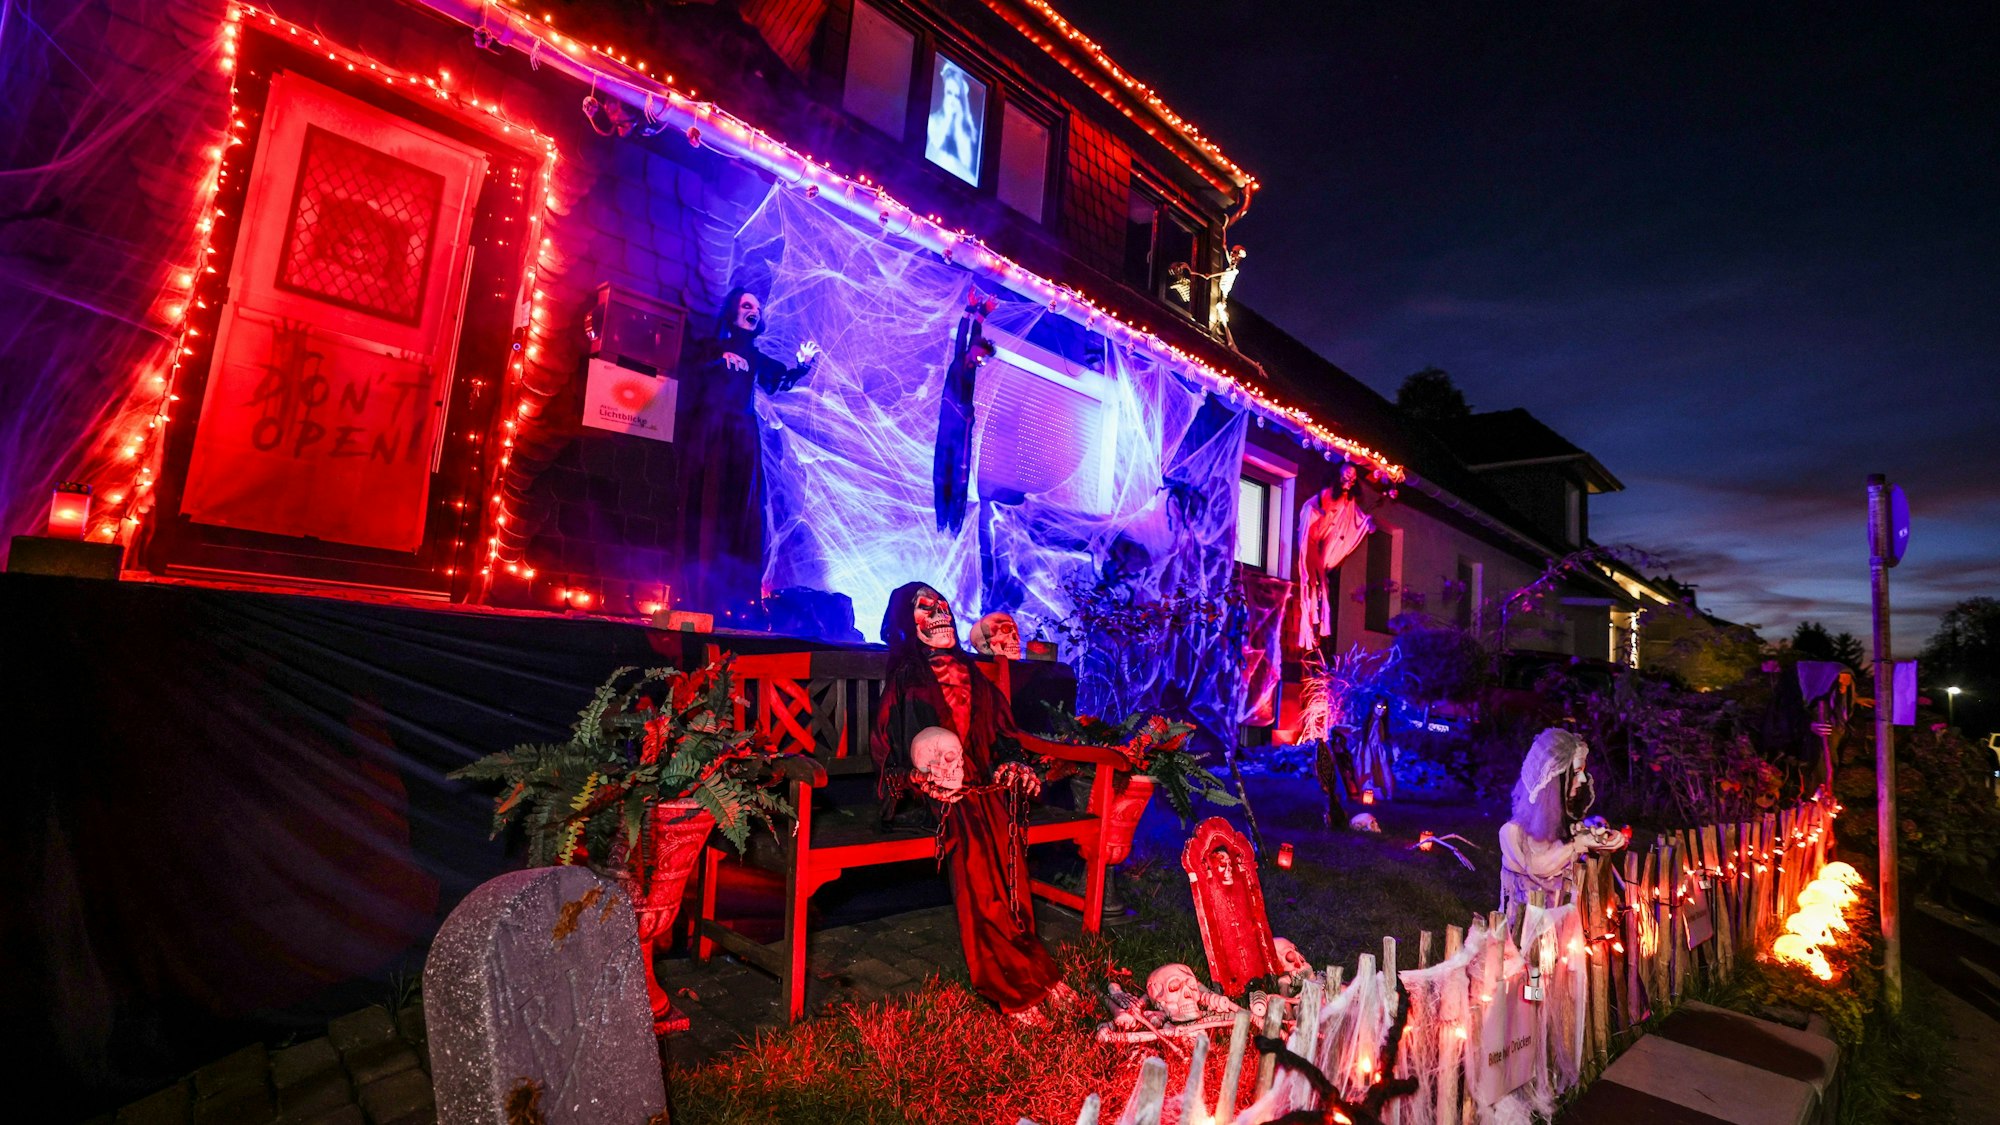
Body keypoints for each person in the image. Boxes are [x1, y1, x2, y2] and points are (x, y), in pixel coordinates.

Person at [871, 582, 1074, 1020]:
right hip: (929, 794)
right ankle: (1006, 979)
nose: (939, 613)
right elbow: (893, 749)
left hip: (977, 790)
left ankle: (1031, 963)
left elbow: (1004, 736)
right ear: (908, 623)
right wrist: (918, 778)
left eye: (942, 605)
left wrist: (1010, 764)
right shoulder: (907, 681)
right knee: (971, 819)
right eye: (925, 608)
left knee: (1003, 815)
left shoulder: (977, 678)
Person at [675, 287, 823, 611]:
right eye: (746, 304)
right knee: (709, 506)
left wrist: (801, 365)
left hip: (742, 435)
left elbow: (777, 381)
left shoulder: (755, 357)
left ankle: (736, 598)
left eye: (756, 307)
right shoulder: (712, 346)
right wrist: (719, 358)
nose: (753, 310)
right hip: (713, 432)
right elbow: (690, 366)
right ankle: (700, 590)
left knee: (740, 510)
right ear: (733, 312)